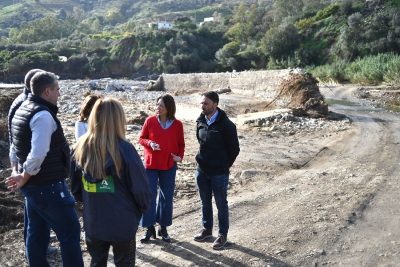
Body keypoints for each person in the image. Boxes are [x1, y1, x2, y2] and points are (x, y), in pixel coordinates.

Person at [5, 71, 84, 266]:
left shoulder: (23, 108)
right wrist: (23, 175)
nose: (59, 93)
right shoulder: (42, 115)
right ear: (47, 91)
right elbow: (37, 154)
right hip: (48, 186)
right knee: (70, 233)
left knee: (37, 233)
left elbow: (14, 145)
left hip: (34, 187)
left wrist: (17, 171)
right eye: (57, 89)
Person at [70, 97, 151, 266]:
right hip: (122, 222)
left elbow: (76, 188)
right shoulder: (125, 149)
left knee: (97, 262)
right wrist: (139, 212)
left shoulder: (79, 148)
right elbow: (141, 190)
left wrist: (90, 201)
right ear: (118, 120)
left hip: (94, 221)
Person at [193, 91, 240, 250]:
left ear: (215, 104)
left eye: (206, 103)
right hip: (202, 170)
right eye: (202, 103)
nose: (202, 106)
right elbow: (200, 141)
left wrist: (224, 165)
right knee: (205, 201)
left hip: (219, 173)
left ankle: (222, 235)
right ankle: (207, 230)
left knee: (221, 204)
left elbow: (234, 149)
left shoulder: (227, 125)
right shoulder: (200, 121)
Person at [139, 94, 185, 243]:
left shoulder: (178, 125)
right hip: (151, 165)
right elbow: (141, 138)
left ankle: (163, 227)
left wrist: (180, 157)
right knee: (149, 196)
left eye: (161, 106)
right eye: (157, 104)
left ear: (169, 108)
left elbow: (181, 145)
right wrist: (150, 143)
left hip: (169, 165)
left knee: (166, 198)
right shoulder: (150, 121)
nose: (158, 108)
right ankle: (149, 227)